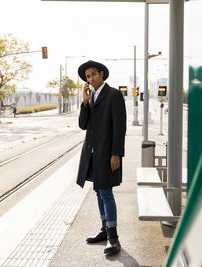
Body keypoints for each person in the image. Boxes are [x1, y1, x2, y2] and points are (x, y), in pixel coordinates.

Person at [76, 60, 127, 255]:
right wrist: (85, 102)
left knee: (106, 192)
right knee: (98, 191)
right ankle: (104, 230)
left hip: (107, 153)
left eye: (93, 75)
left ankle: (113, 238)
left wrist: (116, 154)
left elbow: (120, 128)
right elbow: (82, 125)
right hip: (92, 153)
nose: (91, 79)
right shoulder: (91, 97)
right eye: (88, 77)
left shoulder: (113, 95)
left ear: (102, 74)